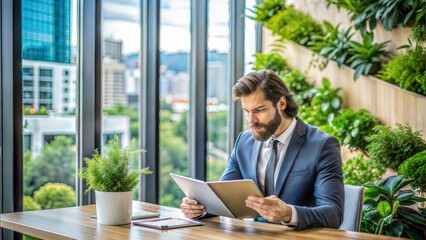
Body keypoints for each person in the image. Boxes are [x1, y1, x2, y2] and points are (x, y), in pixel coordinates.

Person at [180, 69, 344, 230]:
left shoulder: (322, 146)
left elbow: (333, 214)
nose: (251, 121)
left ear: (281, 103)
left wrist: (289, 214)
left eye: (259, 110)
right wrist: (198, 208)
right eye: (247, 112)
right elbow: (221, 198)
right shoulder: (244, 142)